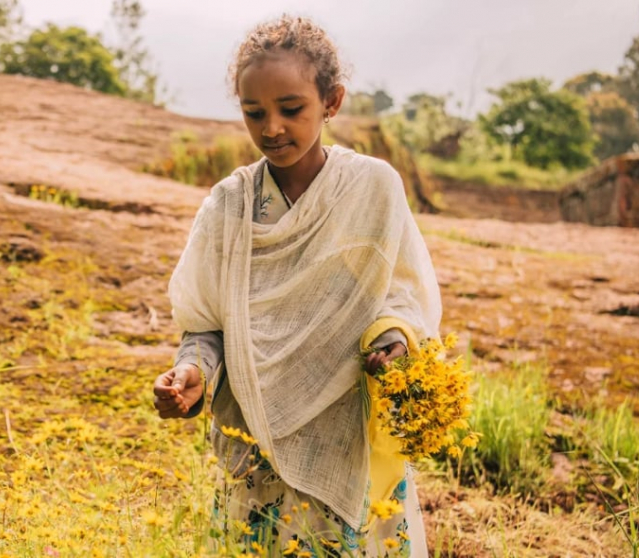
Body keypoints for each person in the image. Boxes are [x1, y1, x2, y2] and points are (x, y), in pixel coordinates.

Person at [154, 16, 441, 557]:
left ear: (331, 101)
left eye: (292, 109)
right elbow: (208, 323)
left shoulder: (373, 189)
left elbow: (401, 297)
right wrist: (192, 373)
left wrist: (396, 344)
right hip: (257, 448)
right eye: (253, 112)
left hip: (345, 438)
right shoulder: (228, 206)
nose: (272, 129)